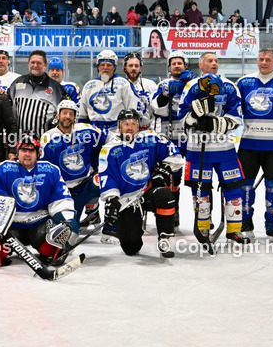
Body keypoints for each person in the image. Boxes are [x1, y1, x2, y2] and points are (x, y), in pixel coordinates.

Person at [0, 135, 78, 269]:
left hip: (39, 224)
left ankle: (53, 245)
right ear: (17, 153)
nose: (27, 154)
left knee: (50, 251)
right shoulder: (1, 169)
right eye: (23, 150)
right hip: (11, 226)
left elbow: (61, 200)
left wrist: (68, 220)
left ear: (38, 153)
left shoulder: (51, 170)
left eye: (31, 150)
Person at [178, 53, 246, 244]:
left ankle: (234, 230)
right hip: (197, 148)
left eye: (216, 60)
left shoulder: (230, 86)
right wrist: (194, 116)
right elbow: (182, 118)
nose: (214, 63)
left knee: (233, 189)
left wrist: (215, 123)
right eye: (210, 60)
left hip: (225, 148)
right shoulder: (191, 87)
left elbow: (237, 117)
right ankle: (202, 227)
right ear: (201, 65)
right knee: (200, 191)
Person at [98, 109, 184, 258]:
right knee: (131, 248)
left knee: (165, 195)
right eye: (126, 124)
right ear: (119, 127)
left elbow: (174, 154)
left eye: (133, 123)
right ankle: (134, 228)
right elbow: (107, 176)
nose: (130, 127)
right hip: (128, 199)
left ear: (138, 126)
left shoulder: (151, 138)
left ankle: (164, 238)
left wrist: (163, 169)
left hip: (148, 191)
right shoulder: (109, 149)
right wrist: (112, 200)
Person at [235, 49, 273, 237]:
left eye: (268, 59)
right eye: (261, 59)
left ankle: (271, 221)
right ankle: (246, 221)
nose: (264, 62)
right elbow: (236, 109)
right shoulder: (244, 82)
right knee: (245, 185)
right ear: (257, 61)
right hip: (249, 144)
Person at [42, 100, 106, 227]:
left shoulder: (86, 130)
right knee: (71, 226)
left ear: (75, 117)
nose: (67, 117)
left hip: (85, 183)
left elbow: (110, 138)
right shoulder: (48, 137)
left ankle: (105, 219)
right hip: (63, 189)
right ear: (58, 115)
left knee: (106, 180)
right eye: (64, 113)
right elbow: (44, 168)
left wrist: (101, 164)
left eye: (71, 114)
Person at [151, 52, 196, 230]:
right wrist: (165, 94)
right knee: (172, 178)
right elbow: (155, 109)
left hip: (192, 137)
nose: (177, 66)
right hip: (170, 138)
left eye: (180, 63)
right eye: (174, 63)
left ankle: (201, 215)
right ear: (169, 67)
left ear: (185, 65)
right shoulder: (163, 84)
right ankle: (173, 210)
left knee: (197, 177)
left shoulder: (194, 83)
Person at [78, 49, 141, 134]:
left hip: (117, 133)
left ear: (114, 67)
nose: (105, 68)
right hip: (94, 132)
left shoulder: (124, 84)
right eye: (102, 65)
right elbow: (82, 115)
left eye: (109, 65)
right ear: (98, 67)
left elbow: (133, 110)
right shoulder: (89, 86)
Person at [9, 50, 68, 138]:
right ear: (28, 63)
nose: (35, 65)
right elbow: (7, 106)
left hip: (46, 142)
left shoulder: (56, 88)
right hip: (20, 142)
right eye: (33, 62)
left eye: (39, 63)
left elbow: (65, 112)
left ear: (45, 65)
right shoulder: (17, 83)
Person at [123, 53, 157, 130]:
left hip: (147, 130)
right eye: (130, 65)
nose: (133, 68)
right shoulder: (119, 85)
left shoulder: (150, 85)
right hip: (126, 130)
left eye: (136, 66)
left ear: (140, 68)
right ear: (125, 67)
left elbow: (156, 110)